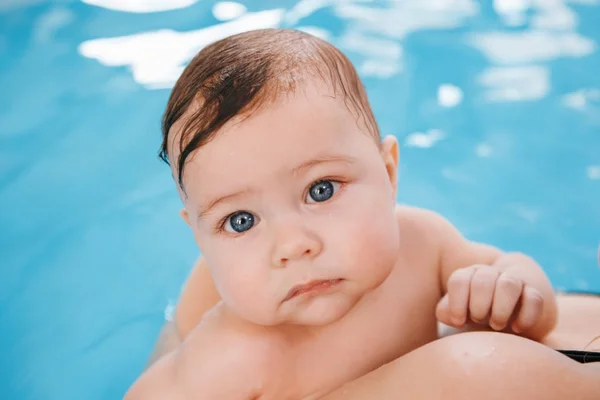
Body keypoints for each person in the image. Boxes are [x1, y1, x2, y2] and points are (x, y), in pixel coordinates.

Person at [124, 28, 596, 399]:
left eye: (321, 190)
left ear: (389, 174)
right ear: (199, 236)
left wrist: (512, 290)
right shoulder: (230, 357)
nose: (293, 245)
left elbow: (524, 294)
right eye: (240, 220)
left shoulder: (422, 241)